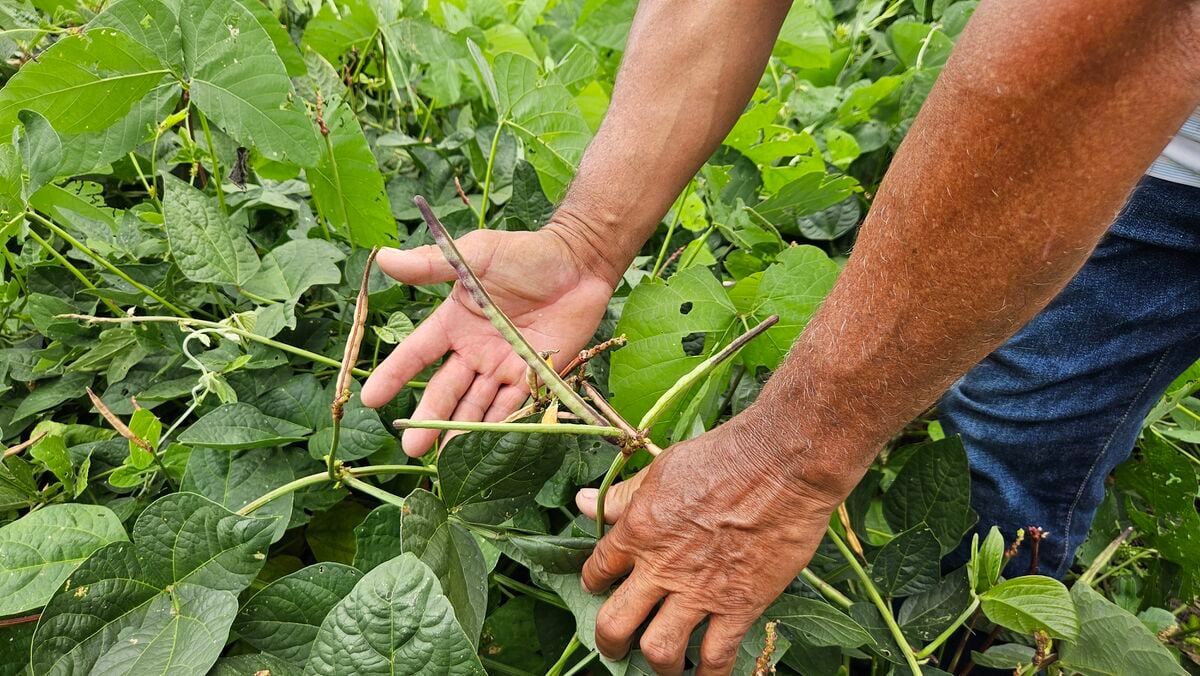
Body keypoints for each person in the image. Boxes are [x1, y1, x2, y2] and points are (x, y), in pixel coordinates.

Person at [360, 1, 1200, 673]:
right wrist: (585, 242)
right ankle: (980, 639)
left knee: (1012, 419)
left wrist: (791, 460)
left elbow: (1101, 53)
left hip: (1128, 90)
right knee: (1012, 426)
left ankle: (985, 641)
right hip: (1146, 136)